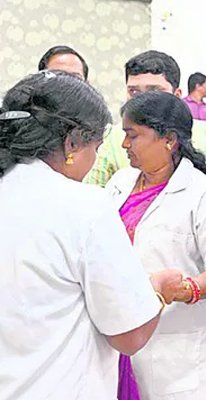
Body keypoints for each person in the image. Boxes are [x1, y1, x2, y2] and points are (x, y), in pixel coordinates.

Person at [0, 71, 183, 398]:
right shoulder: (83, 205)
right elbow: (129, 334)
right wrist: (156, 290)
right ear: (71, 142)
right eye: (96, 147)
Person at [105, 91, 206, 400]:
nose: (125, 145)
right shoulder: (119, 184)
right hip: (122, 333)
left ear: (168, 140)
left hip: (178, 349)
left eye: (133, 136)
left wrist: (180, 290)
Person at [85, 50, 206, 210]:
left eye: (154, 91)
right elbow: (91, 198)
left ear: (177, 95)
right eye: (134, 92)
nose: (143, 101)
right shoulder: (115, 137)